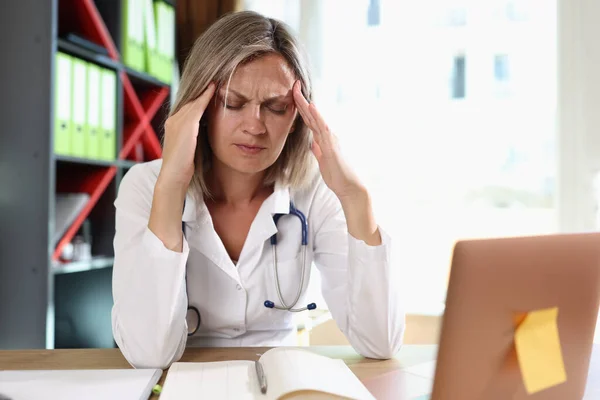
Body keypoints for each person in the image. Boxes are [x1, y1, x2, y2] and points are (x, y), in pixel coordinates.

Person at [111, 10, 405, 369]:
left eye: (276, 107)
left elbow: (380, 342)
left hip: (280, 380)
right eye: (232, 103)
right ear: (196, 108)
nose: (255, 126)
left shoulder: (315, 192)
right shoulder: (144, 187)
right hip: (182, 382)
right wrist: (172, 186)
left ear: (298, 116)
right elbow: (148, 354)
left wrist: (357, 200)